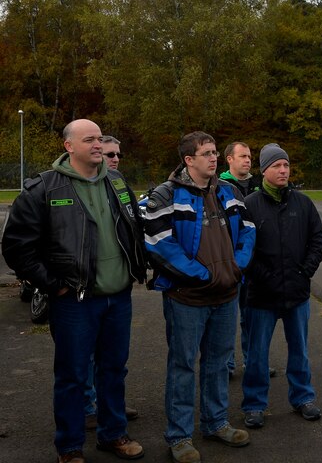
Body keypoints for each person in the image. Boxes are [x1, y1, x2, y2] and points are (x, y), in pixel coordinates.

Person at [2, 119, 147, 463]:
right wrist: (53, 284)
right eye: (89, 139)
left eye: (100, 138)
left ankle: (113, 434)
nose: (98, 145)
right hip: (74, 303)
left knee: (114, 369)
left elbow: (133, 227)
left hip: (118, 297)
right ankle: (69, 447)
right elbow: (16, 247)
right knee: (72, 376)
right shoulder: (43, 189)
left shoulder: (116, 182)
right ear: (69, 146)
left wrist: (135, 268)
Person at [144, 131, 256, 463]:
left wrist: (237, 268)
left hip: (226, 295)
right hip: (187, 299)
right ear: (188, 160)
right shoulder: (165, 195)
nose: (213, 158)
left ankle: (216, 423)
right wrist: (202, 275)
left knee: (218, 363)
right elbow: (159, 242)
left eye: (215, 153)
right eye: (206, 153)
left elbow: (248, 231)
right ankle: (179, 437)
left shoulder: (229, 191)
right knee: (182, 366)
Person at [241, 143, 322, 429]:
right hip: (261, 295)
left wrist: (306, 271)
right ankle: (254, 404)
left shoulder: (302, 204)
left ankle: (303, 398)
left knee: (299, 350)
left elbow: (318, 237)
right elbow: (243, 249)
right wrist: (265, 277)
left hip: (297, 293)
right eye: (277, 165)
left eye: (286, 165)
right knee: (257, 354)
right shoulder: (250, 206)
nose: (283, 170)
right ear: (264, 170)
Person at [83, 135, 139, 431]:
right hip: (83, 291)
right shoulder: (69, 186)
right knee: (85, 356)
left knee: (114, 358)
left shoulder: (118, 185)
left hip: (118, 288)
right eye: (108, 153)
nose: (115, 158)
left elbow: (133, 226)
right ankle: (87, 407)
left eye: (118, 154)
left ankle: (109, 405)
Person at [218, 142, 262, 378]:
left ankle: (252, 361)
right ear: (229, 159)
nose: (247, 160)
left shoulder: (259, 185)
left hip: (255, 263)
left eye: (249, 156)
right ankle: (226, 364)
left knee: (252, 317)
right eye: (242, 156)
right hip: (229, 262)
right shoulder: (219, 186)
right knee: (225, 320)